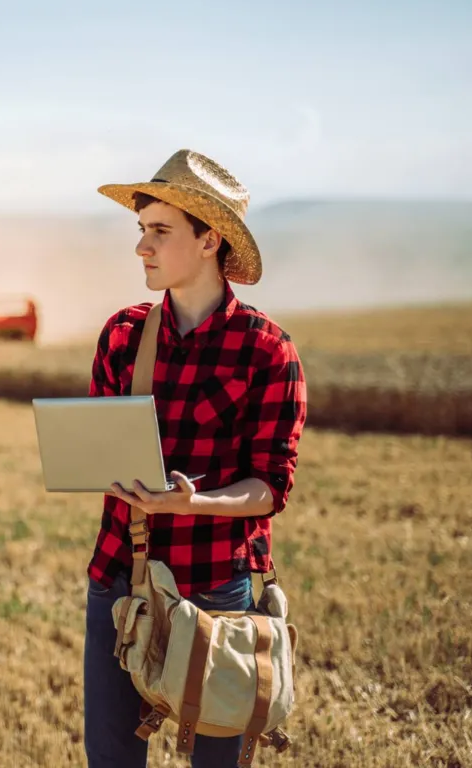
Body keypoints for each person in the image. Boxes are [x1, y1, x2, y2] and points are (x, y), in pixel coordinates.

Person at [83, 149, 307, 768]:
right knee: (110, 759)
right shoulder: (123, 336)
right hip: (120, 579)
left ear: (210, 240)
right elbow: (103, 447)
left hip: (216, 591)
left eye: (161, 231)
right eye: (141, 230)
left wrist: (195, 502)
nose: (142, 248)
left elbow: (269, 486)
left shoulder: (267, 350)